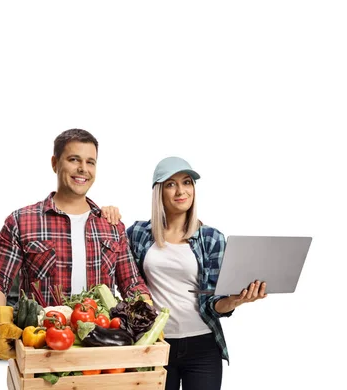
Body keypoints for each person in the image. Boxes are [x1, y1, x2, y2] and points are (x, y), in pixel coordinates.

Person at [0, 128, 151, 360]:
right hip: (42, 348)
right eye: (73, 159)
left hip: (101, 349)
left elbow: (132, 284)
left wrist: (150, 319)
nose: (83, 169)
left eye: (91, 162)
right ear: (54, 163)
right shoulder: (22, 221)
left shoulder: (112, 226)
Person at [102, 156, 266, 390]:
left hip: (203, 346)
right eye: (171, 184)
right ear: (159, 192)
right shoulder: (138, 233)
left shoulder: (211, 238)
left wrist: (235, 300)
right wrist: (108, 213)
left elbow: (214, 303)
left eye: (187, 182)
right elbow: (124, 275)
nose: (181, 190)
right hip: (155, 343)